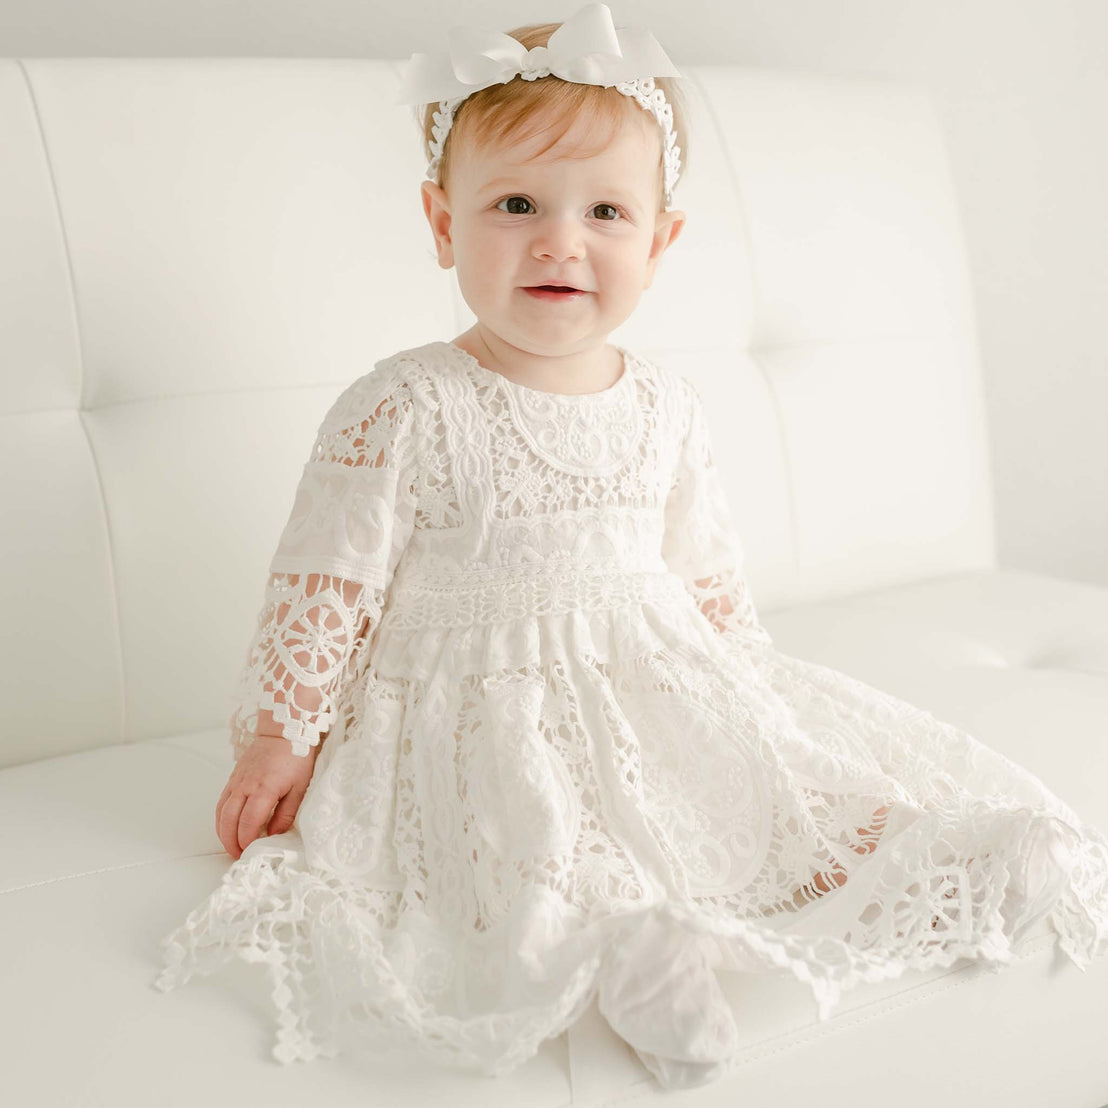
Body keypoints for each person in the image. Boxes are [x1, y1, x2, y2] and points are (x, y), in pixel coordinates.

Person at [151, 2, 1108, 1093]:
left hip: (647, 674)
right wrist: (282, 735)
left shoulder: (664, 403)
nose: (562, 239)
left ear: (659, 242)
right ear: (441, 222)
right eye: (515, 203)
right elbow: (325, 583)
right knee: (535, 835)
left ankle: (937, 854)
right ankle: (624, 951)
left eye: (606, 210)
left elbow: (704, 567)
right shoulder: (405, 404)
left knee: (780, 789)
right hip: (472, 701)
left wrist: (744, 681)